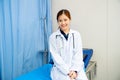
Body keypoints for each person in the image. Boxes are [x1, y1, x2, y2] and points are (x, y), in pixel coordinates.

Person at [49, 9, 88, 80]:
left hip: (76, 69)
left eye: (65, 20)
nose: (63, 23)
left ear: (69, 20)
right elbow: (56, 58)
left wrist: (75, 71)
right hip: (60, 70)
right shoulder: (53, 37)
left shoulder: (76, 35)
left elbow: (78, 55)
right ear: (57, 22)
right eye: (60, 20)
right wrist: (68, 72)